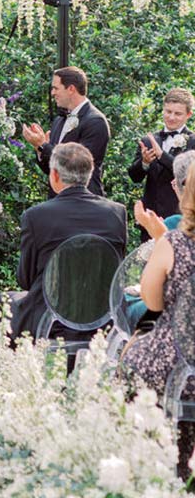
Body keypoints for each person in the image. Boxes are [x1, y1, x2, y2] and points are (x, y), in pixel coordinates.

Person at [9, 143, 127, 339]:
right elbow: (115, 272)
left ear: (54, 175)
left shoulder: (36, 216)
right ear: (89, 175)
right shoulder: (116, 213)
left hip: (50, 321)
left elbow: (25, 279)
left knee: (3, 303)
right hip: (101, 319)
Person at [122, 162, 195, 479]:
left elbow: (152, 302)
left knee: (130, 362)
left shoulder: (174, 244)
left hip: (175, 362)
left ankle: (151, 464)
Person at [21, 66, 110, 197]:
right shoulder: (59, 120)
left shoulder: (95, 121)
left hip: (84, 202)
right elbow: (51, 170)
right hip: (58, 200)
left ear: (71, 89)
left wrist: (43, 146)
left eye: (56, 88)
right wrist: (39, 148)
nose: (52, 93)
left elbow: (78, 167)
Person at [128, 88, 195, 241]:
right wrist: (144, 162)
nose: (171, 117)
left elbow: (189, 176)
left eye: (177, 114)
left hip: (180, 217)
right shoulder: (148, 140)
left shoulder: (192, 141)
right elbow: (134, 177)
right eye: (168, 111)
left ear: (188, 115)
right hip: (151, 217)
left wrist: (162, 156)